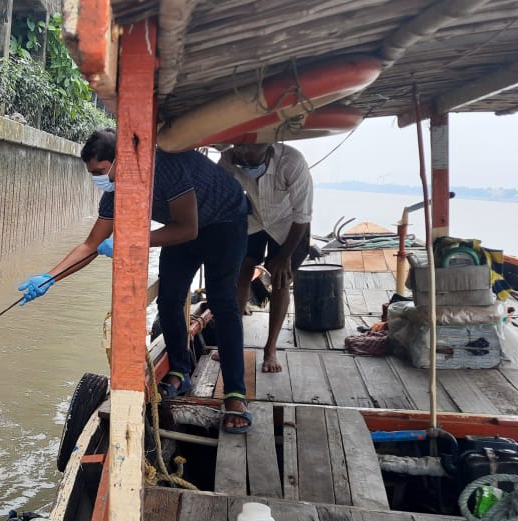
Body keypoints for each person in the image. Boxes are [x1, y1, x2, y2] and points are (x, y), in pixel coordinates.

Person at [18, 129, 253, 433]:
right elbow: (91, 244)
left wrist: (132, 241)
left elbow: (188, 228)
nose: (98, 179)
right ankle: (181, 371)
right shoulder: (114, 190)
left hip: (225, 221)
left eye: (100, 171)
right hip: (183, 228)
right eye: (92, 173)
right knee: (169, 299)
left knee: (223, 302)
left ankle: (235, 394)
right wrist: (50, 277)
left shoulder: (163, 166)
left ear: (122, 160)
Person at [218, 143, 313, 374]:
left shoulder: (293, 163)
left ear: (268, 151)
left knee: (281, 278)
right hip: (254, 218)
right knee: (240, 272)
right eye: (242, 162)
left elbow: (302, 217)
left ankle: (270, 349)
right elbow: (218, 189)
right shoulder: (231, 157)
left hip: (289, 223)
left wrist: (284, 256)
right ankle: (233, 345)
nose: (245, 166)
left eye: (252, 162)